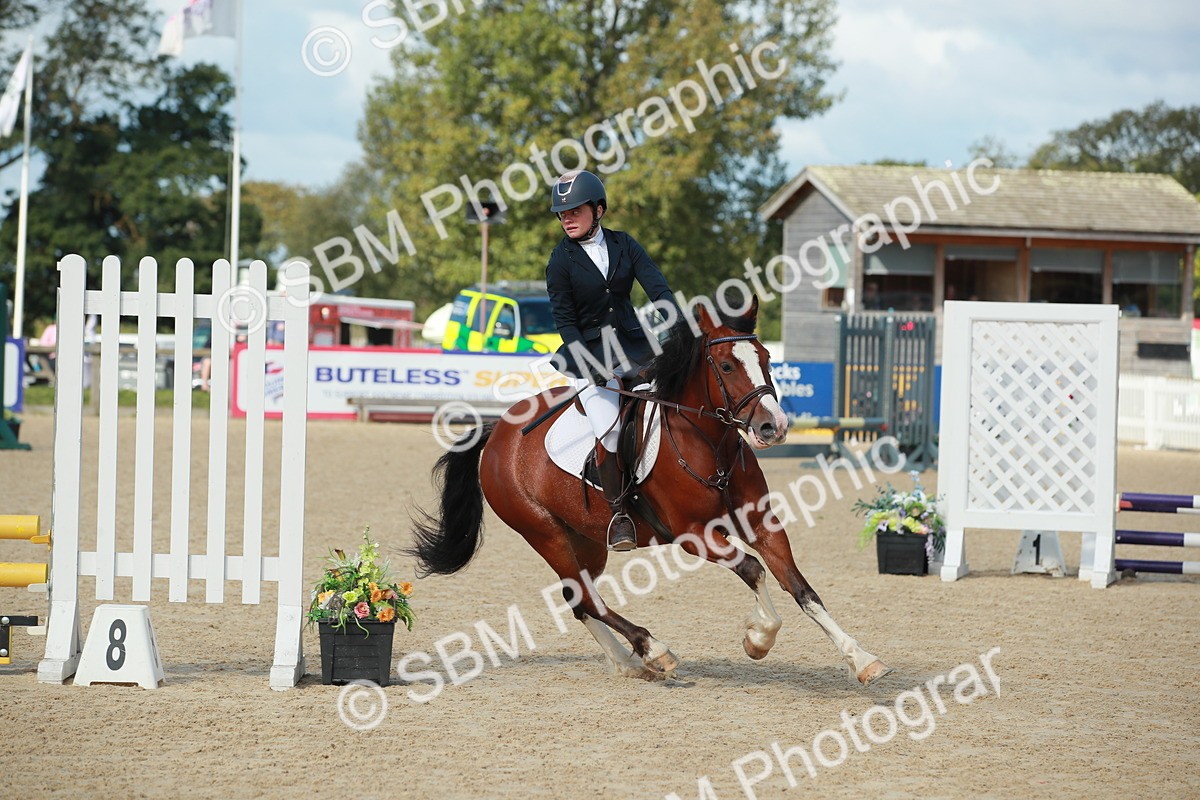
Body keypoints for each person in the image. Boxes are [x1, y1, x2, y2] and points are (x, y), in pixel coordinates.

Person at [545, 169, 678, 551]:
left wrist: (679, 328)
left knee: (673, 408)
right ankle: (620, 514)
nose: (566, 218)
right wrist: (592, 367)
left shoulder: (624, 245)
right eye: (562, 213)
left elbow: (658, 289)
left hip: (635, 348)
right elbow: (566, 322)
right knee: (611, 429)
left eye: (574, 210)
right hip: (588, 355)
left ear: (598, 209)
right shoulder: (560, 260)